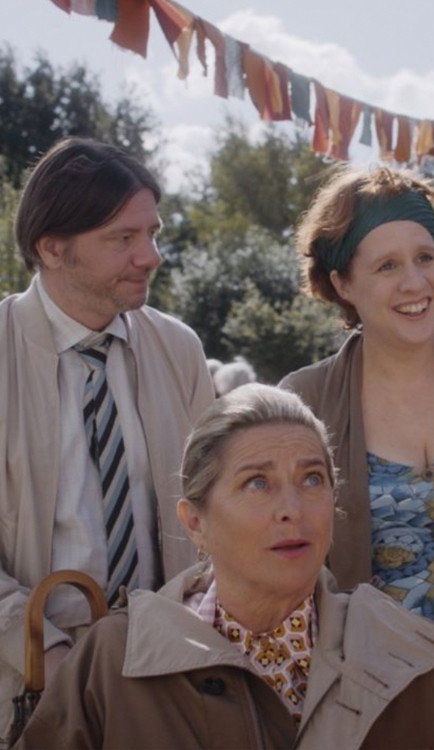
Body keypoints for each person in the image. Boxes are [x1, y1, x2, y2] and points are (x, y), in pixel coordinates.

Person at [13, 384, 434, 749]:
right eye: (257, 484)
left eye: (312, 479)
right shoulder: (112, 663)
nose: (292, 508)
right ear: (195, 522)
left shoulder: (421, 665)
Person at [0, 137, 214, 743]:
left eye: (153, 233)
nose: (151, 256)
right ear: (52, 248)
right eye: (123, 238)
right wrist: (50, 656)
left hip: (170, 677)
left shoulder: (179, 348)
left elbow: (216, 511)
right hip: (26, 686)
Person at [279, 163, 434, 721]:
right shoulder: (302, 403)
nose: (415, 283)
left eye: (426, 257)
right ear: (341, 284)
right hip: (382, 708)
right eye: (387, 266)